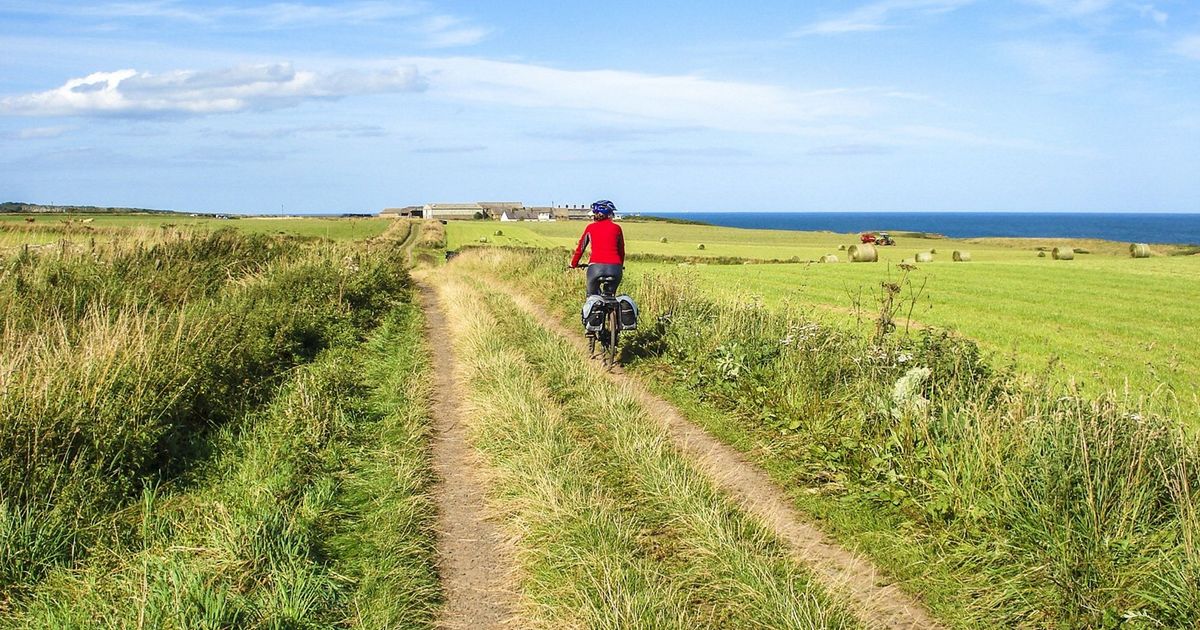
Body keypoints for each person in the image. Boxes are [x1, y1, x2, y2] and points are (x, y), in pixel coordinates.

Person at [569, 199, 625, 296]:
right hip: (615, 268)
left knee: (591, 297)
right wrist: (620, 265)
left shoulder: (590, 228)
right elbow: (621, 251)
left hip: (596, 268)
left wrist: (574, 264)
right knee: (610, 296)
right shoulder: (617, 228)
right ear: (610, 214)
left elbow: (580, 249)